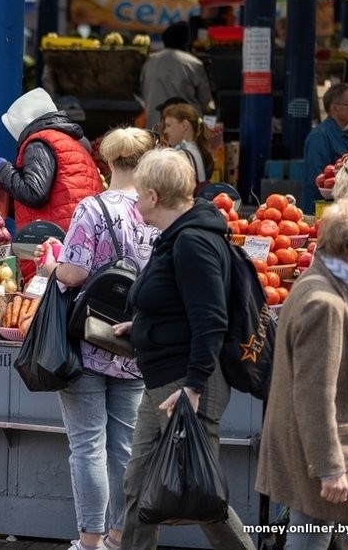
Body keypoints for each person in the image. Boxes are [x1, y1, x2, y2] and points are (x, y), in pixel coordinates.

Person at [120, 148, 254, 550]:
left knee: (202, 496)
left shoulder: (192, 242)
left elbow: (211, 319)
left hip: (187, 383)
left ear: (153, 196)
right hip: (163, 381)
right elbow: (179, 301)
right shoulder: (177, 236)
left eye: (139, 193)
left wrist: (193, 387)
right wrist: (143, 325)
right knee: (138, 484)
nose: (136, 200)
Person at [38, 127, 158, 550]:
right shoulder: (156, 211)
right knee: (125, 447)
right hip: (134, 344)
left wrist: (49, 265)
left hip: (87, 343)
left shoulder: (92, 208)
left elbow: (74, 273)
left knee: (87, 445)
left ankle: (89, 541)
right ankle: (119, 538)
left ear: (108, 161)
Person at [256, 198, 348, 550]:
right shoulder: (325, 303)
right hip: (333, 449)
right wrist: (330, 467)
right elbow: (314, 393)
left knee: (310, 533)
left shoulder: (322, 284)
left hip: (324, 446)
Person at [0, 87, 104, 281]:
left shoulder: (39, 143)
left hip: (52, 241)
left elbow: (34, 193)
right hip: (76, 239)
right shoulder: (69, 141)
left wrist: (2, 170)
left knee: (47, 296)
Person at [140, 21, 212, 130]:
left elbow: (143, 93)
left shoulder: (150, 61)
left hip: (155, 127)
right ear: (186, 40)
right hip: (185, 129)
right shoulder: (193, 63)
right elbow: (205, 101)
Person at [302, 84, 348, 213]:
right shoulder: (319, 136)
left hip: (343, 210)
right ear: (335, 108)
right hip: (321, 212)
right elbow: (317, 181)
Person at [161, 102, 213, 191]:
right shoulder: (197, 150)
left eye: (168, 125)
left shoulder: (182, 156)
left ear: (184, 125)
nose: (165, 131)